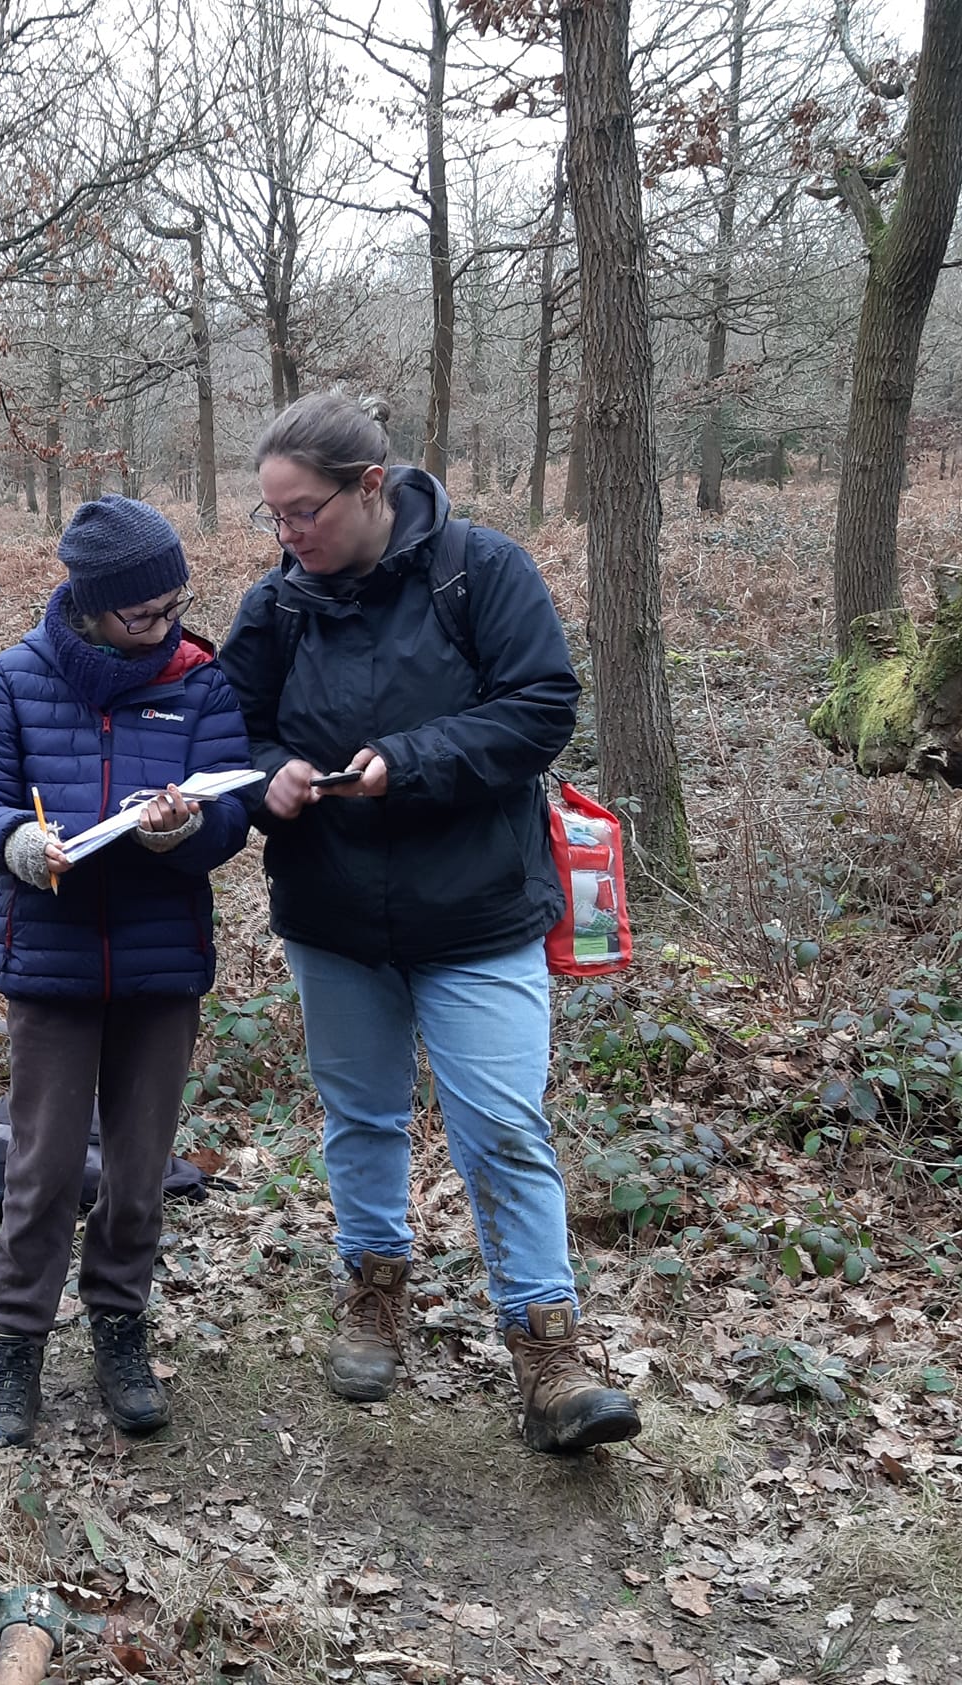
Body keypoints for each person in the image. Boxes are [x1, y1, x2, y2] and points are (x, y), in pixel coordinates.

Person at [218, 391, 640, 1455]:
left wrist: (409, 759)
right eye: (270, 515)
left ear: (371, 488)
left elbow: (539, 704)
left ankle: (547, 1353)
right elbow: (228, 721)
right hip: (332, 912)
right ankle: (370, 1297)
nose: (286, 534)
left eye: (301, 511)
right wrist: (268, 773)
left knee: (501, 1125)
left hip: (479, 911)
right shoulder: (276, 605)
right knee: (359, 1117)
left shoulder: (479, 571)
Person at [0, 495, 252, 1452]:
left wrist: (191, 829)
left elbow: (234, 811)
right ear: (88, 601)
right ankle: (17, 1349)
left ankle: (121, 1330)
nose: (163, 627)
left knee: (135, 1174)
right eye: (141, 614)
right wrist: (20, 843)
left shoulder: (202, 685)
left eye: (174, 605)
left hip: (163, 965)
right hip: (52, 962)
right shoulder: (12, 682)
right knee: (38, 1172)